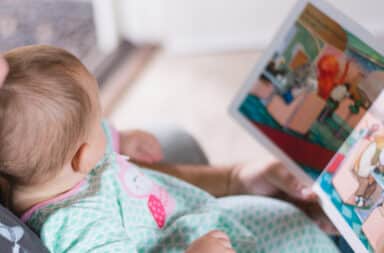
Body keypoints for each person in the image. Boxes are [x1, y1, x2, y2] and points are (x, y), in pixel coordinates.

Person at [0, 45, 339, 253]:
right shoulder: (78, 229)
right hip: (190, 242)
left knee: (296, 217)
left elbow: (84, 139)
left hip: (196, 220)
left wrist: (119, 139)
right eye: (99, 117)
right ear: (82, 156)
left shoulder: (53, 167)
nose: (105, 123)